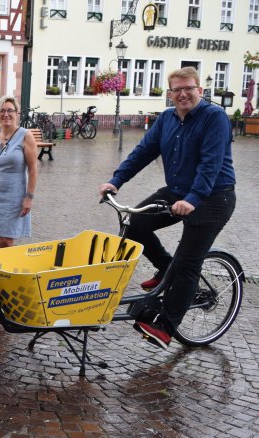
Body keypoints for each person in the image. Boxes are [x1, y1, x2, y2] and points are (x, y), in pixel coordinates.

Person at [99, 67, 236, 349]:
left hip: (212, 198)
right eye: (177, 89)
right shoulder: (166, 119)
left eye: (189, 88)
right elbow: (143, 152)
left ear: (200, 89)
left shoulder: (215, 118)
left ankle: (166, 325)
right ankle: (164, 268)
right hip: (176, 192)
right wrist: (116, 181)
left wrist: (192, 199)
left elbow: (210, 165)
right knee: (135, 224)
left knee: (187, 261)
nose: (183, 94)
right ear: (170, 93)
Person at [0, 96, 38, 249]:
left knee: (6, 242)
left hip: (14, 196)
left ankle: (6, 272)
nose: (6, 114)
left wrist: (29, 197)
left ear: (17, 113)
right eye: (1, 111)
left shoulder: (25, 136)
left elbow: (33, 169)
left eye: (10, 110)